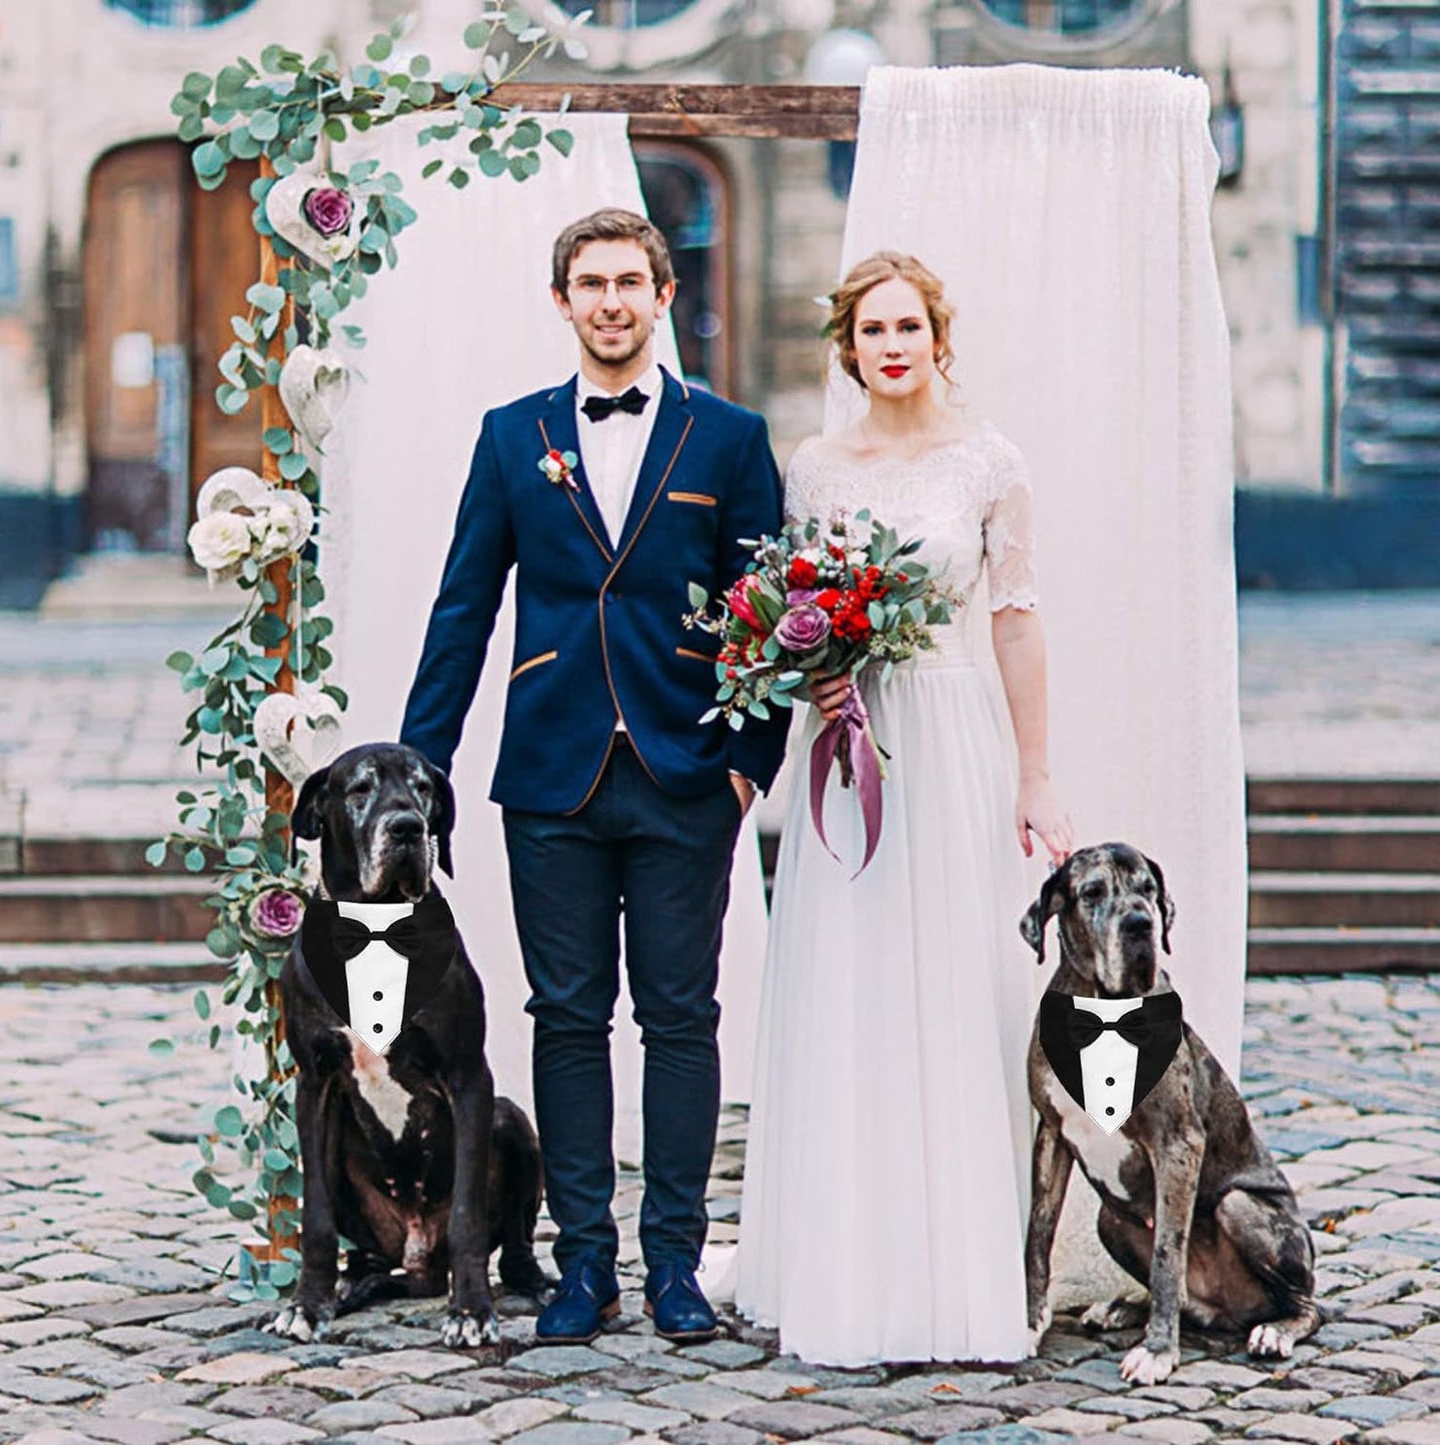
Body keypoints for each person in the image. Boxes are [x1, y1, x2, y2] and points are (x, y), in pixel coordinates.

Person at [401, 208, 790, 1345]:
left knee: (680, 1018)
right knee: (565, 1020)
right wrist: (425, 770)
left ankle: (672, 1260)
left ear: (664, 296)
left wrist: (745, 769)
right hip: (552, 779)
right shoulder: (512, 434)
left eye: (630, 281)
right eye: (590, 283)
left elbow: (765, 614)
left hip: (683, 775)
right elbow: (463, 607)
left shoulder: (726, 437)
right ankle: (584, 1266)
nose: (610, 301)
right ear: (562, 301)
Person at [735, 251, 1074, 1366]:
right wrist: (812, 674)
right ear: (848, 347)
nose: (890, 345)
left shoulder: (989, 463)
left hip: (952, 731)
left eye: (907, 327)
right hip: (851, 740)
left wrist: (1033, 771)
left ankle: (955, 1269)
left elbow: (1014, 619)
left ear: (937, 336)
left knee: (949, 984)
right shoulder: (814, 466)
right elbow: (785, 609)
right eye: (870, 330)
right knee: (850, 982)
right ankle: (845, 1257)